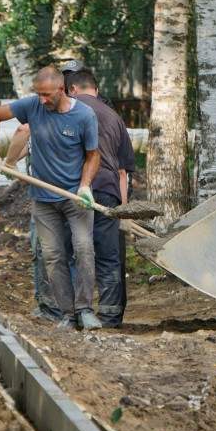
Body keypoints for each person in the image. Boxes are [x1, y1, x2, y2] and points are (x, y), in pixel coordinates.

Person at [0, 66, 102, 331]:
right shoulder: (33, 106)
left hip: (75, 197)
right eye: (38, 94)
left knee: (84, 250)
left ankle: (85, 310)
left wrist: (85, 186)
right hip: (43, 199)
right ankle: (68, 314)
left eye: (47, 95)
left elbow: (93, 155)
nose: (42, 100)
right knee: (52, 256)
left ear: (61, 90)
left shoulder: (84, 115)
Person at [65, 69, 134, 328]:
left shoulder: (70, 109)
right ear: (95, 88)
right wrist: (123, 212)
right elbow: (122, 172)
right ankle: (110, 316)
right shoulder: (114, 117)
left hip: (74, 190)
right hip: (108, 192)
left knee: (72, 252)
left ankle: (73, 314)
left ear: (72, 88)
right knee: (108, 255)